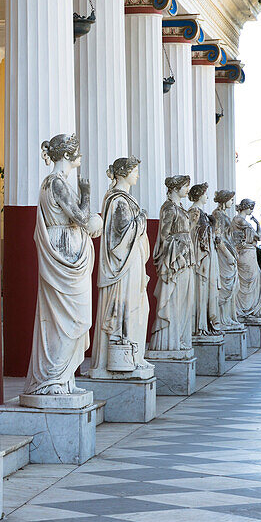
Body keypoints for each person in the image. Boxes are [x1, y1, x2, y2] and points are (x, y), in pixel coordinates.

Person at [23, 133, 101, 398]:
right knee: (67, 318)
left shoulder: (52, 182)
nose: (80, 156)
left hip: (64, 248)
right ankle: (53, 378)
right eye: (77, 151)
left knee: (65, 317)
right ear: (68, 155)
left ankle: (63, 377)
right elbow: (80, 217)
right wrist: (87, 193)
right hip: (65, 252)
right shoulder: (57, 183)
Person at [90, 156, 151, 377]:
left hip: (132, 261)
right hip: (124, 265)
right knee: (128, 306)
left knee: (139, 307)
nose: (138, 174)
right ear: (124, 173)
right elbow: (117, 239)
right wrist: (141, 220)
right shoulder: (118, 200)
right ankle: (122, 358)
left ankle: (135, 355)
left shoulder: (124, 199)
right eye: (134, 170)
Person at [149, 175, 195, 352]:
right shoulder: (168, 208)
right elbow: (164, 236)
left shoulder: (180, 208)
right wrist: (179, 251)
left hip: (186, 258)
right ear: (175, 188)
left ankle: (179, 338)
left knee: (185, 301)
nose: (187, 189)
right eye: (185, 186)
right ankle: (170, 341)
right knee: (175, 300)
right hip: (176, 260)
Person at [189, 183, 221, 336]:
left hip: (207, 255)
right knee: (201, 290)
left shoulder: (203, 213)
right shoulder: (194, 212)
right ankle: (199, 325)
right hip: (200, 257)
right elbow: (192, 235)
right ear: (200, 195)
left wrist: (212, 227)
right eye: (206, 193)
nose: (207, 196)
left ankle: (205, 323)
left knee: (206, 290)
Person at [232, 198, 261, 321]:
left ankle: (248, 310)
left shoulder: (243, 221)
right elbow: (258, 236)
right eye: (250, 207)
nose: (251, 210)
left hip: (250, 252)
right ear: (245, 207)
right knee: (248, 282)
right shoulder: (239, 220)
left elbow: (258, 237)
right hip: (246, 253)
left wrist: (258, 224)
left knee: (258, 281)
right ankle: (245, 311)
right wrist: (257, 225)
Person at [212, 190, 241, 329]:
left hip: (228, 250)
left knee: (232, 286)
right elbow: (218, 237)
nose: (232, 202)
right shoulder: (217, 214)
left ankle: (228, 317)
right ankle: (222, 319)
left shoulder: (223, 214)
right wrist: (227, 254)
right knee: (225, 286)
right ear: (224, 200)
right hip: (223, 254)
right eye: (230, 199)